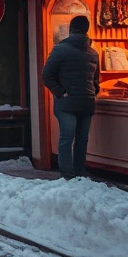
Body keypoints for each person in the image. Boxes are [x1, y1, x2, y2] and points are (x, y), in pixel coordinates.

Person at [42, 15, 100, 179]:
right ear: (87, 30)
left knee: (66, 138)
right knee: (82, 139)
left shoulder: (60, 49)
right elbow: (96, 79)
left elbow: (47, 74)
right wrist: (92, 92)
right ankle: (80, 172)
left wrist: (60, 92)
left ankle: (67, 175)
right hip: (87, 101)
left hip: (66, 102)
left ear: (70, 29)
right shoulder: (93, 53)